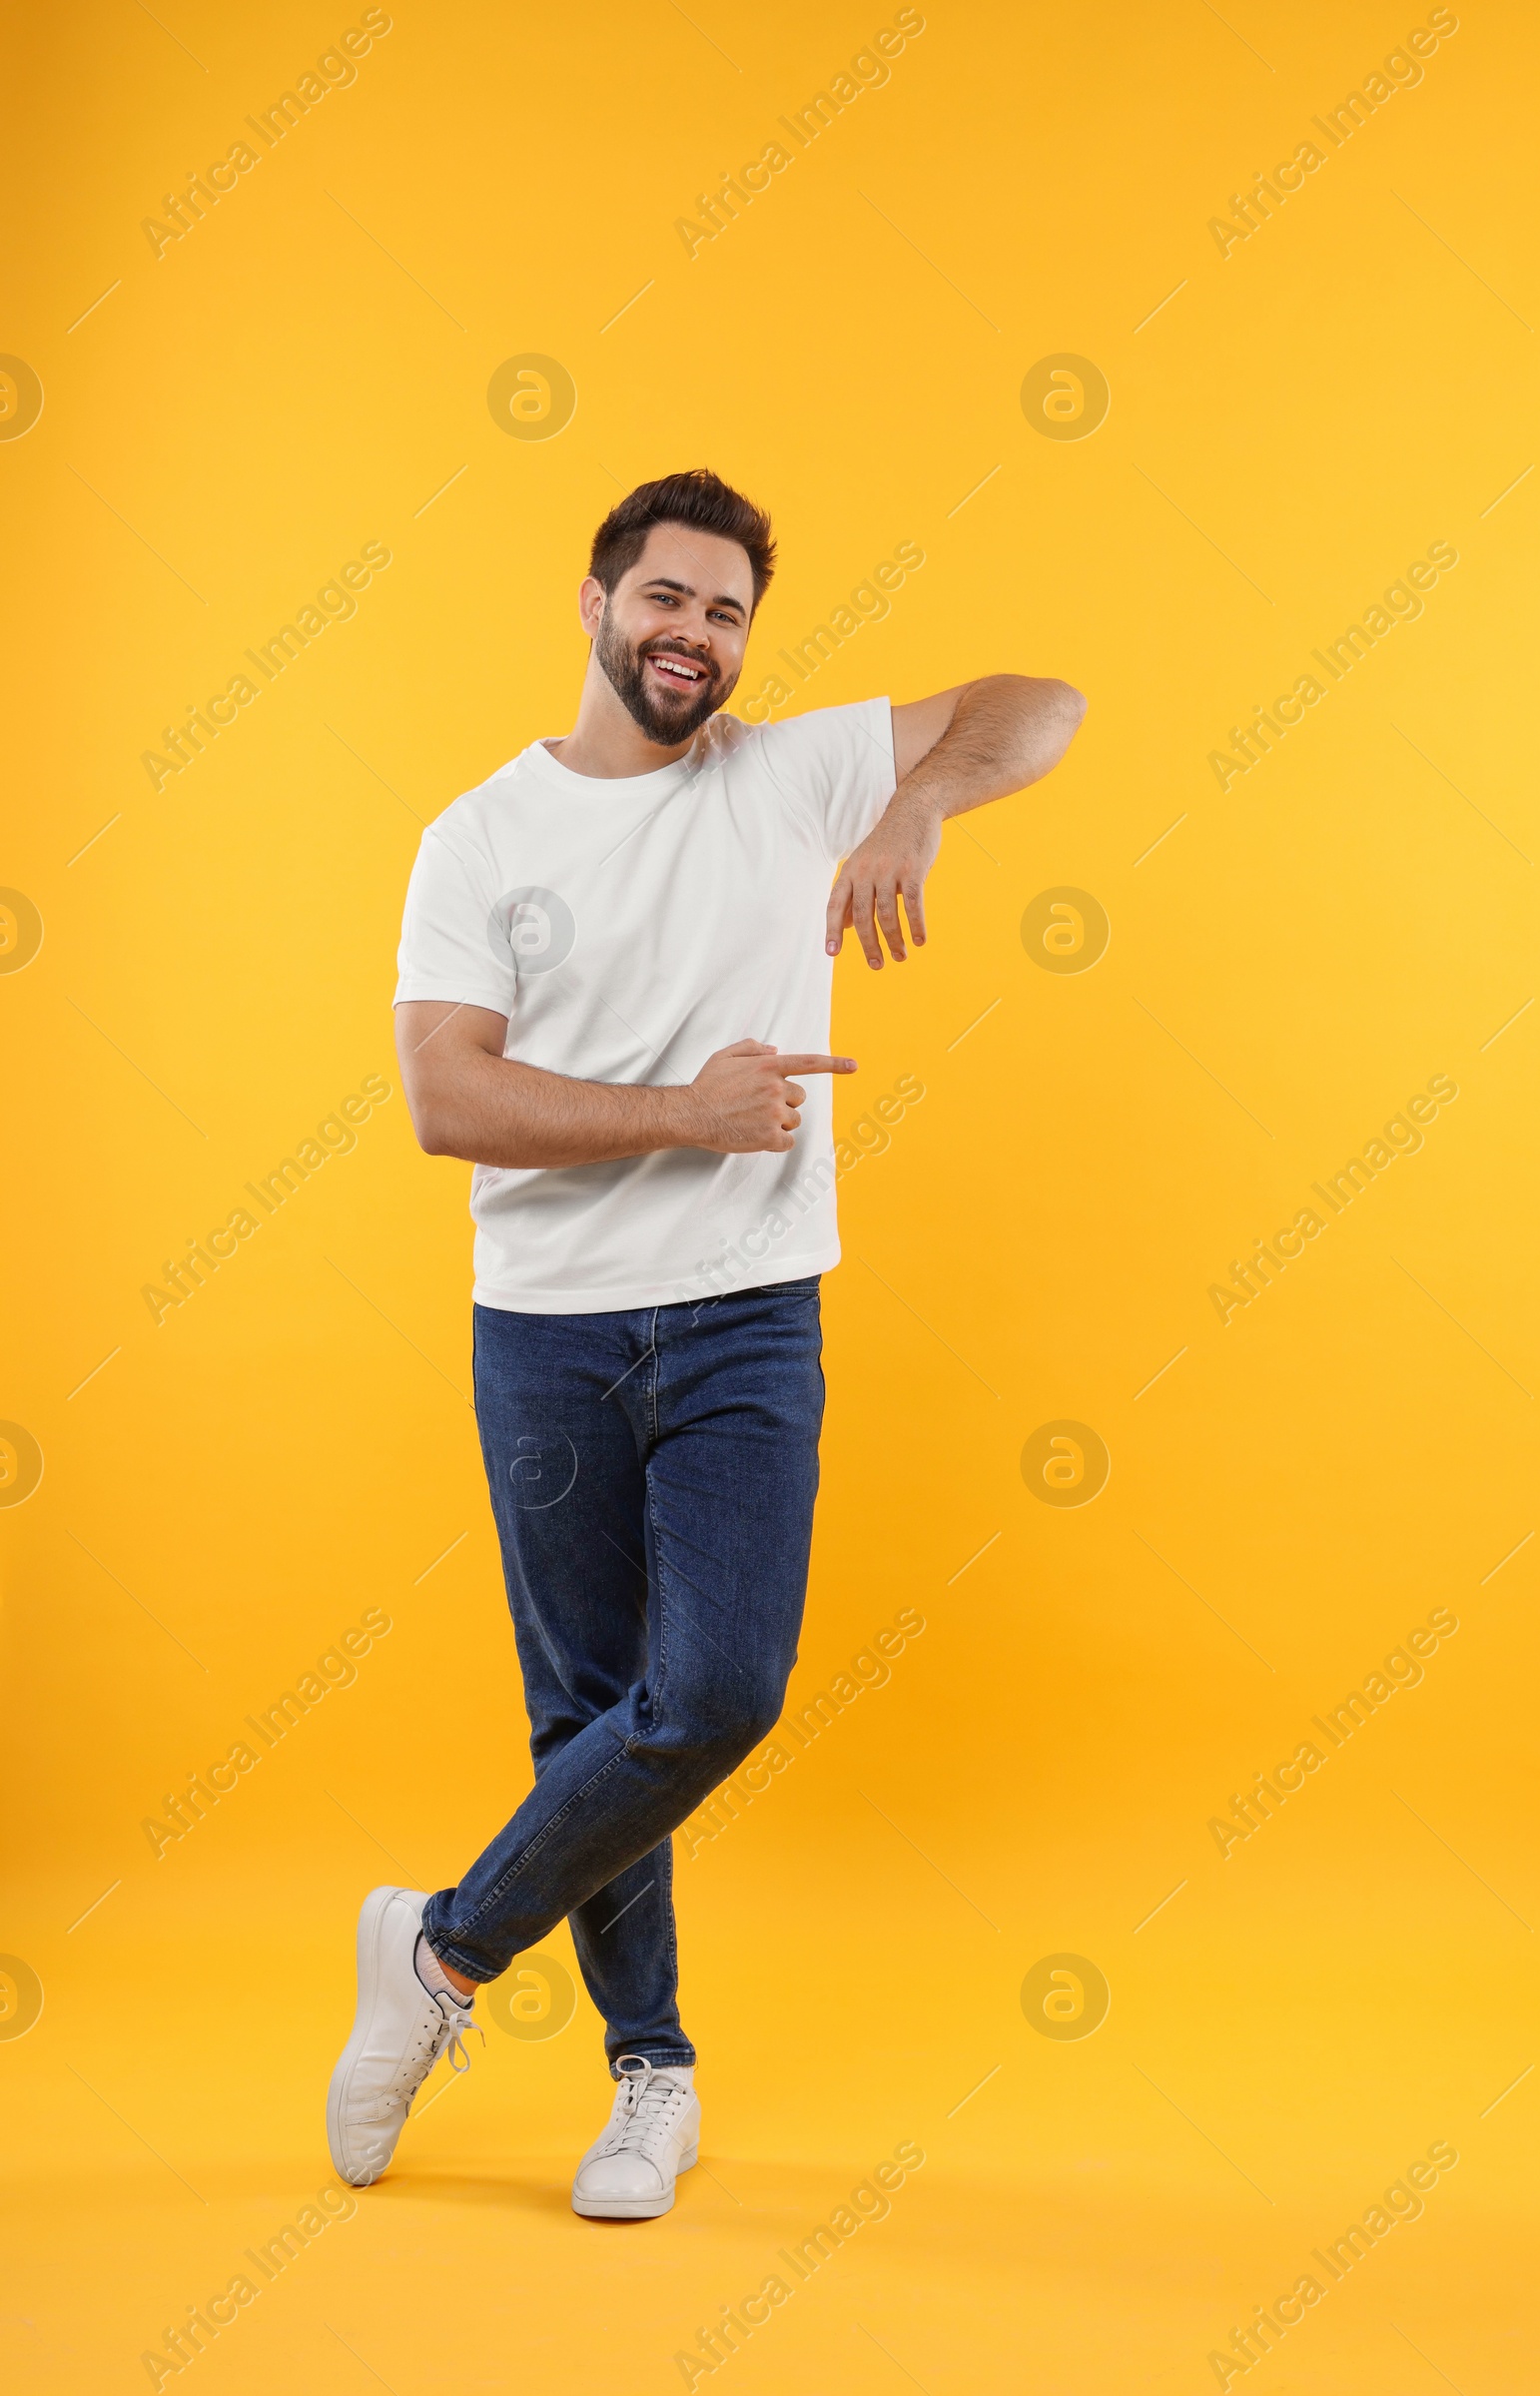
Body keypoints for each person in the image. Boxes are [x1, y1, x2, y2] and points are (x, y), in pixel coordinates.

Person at [326, 467, 1085, 2217]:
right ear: (594, 605)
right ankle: (647, 2078)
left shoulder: (793, 772)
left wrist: (920, 813)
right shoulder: (481, 837)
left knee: (719, 1690)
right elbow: (446, 1098)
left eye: (728, 611)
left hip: (748, 1317)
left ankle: (436, 1956)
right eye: (667, 599)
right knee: (589, 1713)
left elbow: (1043, 705)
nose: (697, 636)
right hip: (547, 1337)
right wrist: (685, 1109)